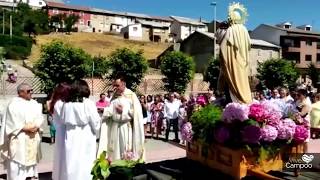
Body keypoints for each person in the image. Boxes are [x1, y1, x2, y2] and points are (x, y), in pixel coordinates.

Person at [0, 83, 44, 180]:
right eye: (28, 91)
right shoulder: (13, 104)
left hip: (33, 136)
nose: (31, 92)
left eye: (31, 90)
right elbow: (10, 122)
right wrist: (25, 128)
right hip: (19, 137)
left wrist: (36, 126)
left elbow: (40, 117)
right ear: (20, 92)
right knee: (17, 162)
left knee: (31, 163)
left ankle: (30, 176)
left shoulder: (35, 104)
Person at [60, 80, 101, 180]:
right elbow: (95, 122)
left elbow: (62, 119)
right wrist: (97, 130)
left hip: (70, 135)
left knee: (71, 162)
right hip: (85, 135)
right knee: (85, 163)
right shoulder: (88, 103)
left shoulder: (66, 104)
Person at [97, 76, 145, 161]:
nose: (114, 87)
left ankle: (126, 166)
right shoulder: (115, 96)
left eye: (117, 85)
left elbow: (137, 113)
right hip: (115, 127)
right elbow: (111, 110)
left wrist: (124, 111)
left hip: (125, 127)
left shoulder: (131, 95)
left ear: (124, 84)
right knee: (114, 149)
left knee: (124, 149)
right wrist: (103, 110)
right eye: (114, 85)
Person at [217, 3, 252, 104]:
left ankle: (235, 104)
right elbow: (249, 45)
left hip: (233, 62)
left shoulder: (231, 30)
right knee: (243, 82)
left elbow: (224, 47)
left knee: (233, 82)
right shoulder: (245, 30)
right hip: (243, 61)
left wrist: (223, 61)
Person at [49, 83, 71, 180]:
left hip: (60, 130)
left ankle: (59, 174)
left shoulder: (56, 102)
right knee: (63, 154)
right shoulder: (60, 104)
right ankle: (62, 175)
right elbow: (65, 118)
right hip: (62, 130)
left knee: (60, 154)